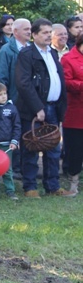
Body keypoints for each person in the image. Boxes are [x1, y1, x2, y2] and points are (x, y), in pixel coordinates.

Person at [16, 19, 75, 198]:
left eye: (50, 32)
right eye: (44, 32)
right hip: (35, 110)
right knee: (32, 147)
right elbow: (23, 83)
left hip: (53, 107)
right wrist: (37, 108)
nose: (49, 35)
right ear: (34, 35)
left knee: (53, 148)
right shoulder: (27, 54)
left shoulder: (53, 53)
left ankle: (52, 186)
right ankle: (30, 187)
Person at [61, 33, 83, 195]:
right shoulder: (68, 59)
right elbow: (66, 82)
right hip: (75, 112)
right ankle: (73, 183)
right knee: (75, 149)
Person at [0, 18, 32, 102]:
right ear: (15, 31)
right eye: (26, 29)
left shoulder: (31, 49)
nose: (29, 32)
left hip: (31, 100)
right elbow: (1, 77)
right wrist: (6, 100)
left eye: (30, 29)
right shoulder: (6, 50)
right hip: (14, 100)